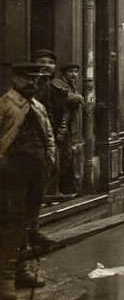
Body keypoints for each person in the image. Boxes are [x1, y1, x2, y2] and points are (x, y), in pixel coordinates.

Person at [0, 62, 56, 300]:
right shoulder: (5, 105)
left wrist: (50, 159)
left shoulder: (38, 106)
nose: (32, 83)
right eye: (27, 79)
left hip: (37, 171)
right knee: (11, 223)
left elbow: (49, 135)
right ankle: (5, 278)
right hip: (12, 173)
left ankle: (21, 270)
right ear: (14, 79)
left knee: (29, 223)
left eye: (35, 79)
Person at [32, 49, 68, 201]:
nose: (47, 65)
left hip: (53, 131)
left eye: (51, 63)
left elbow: (63, 111)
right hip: (36, 133)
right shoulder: (31, 85)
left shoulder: (57, 87)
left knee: (55, 163)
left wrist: (61, 130)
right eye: (42, 62)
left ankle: (52, 192)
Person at [52, 62, 84, 195]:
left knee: (68, 158)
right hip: (61, 126)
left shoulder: (72, 86)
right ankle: (56, 189)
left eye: (76, 72)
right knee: (60, 159)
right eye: (71, 72)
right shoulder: (58, 84)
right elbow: (70, 98)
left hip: (70, 128)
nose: (74, 75)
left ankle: (66, 188)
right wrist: (79, 97)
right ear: (64, 73)